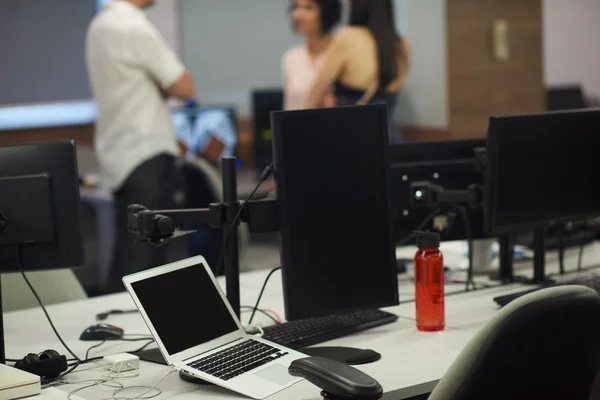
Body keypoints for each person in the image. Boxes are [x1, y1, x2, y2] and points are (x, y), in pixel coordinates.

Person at [86, 0, 196, 293]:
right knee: (147, 261)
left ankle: (118, 332)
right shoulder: (134, 26)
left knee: (127, 256)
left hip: (121, 157)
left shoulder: (99, 25)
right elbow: (185, 87)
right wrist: (161, 85)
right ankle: (149, 334)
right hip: (147, 154)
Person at [304, 0, 410, 141]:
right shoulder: (402, 44)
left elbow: (315, 96)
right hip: (388, 138)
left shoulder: (348, 37)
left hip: (352, 138)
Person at [283, 0, 342, 110]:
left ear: (327, 11)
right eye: (296, 7)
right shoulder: (291, 57)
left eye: (308, 8)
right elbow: (289, 107)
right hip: (299, 125)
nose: (297, 15)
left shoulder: (342, 53)